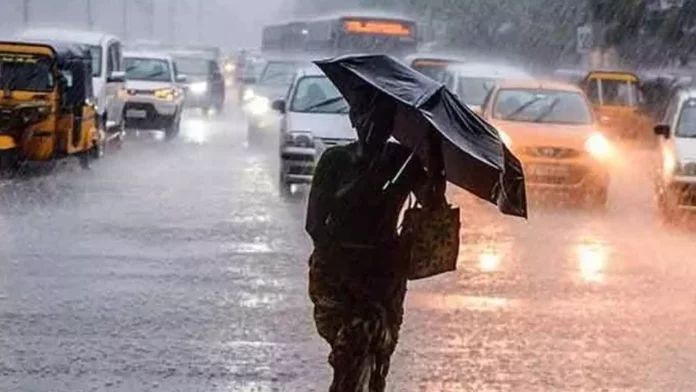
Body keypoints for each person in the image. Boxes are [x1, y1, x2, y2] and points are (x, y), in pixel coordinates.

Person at [306, 93, 445, 391]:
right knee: (350, 348)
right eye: (367, 117)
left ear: (390, 125)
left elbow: (432, 203)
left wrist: (434, 159)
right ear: (354, 120)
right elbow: (315, 224)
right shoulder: (335, 161)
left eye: (383, 120)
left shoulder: (401, 161)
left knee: (379, 355)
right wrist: (346, 273)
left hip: (383, 274)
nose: (374, 126)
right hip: (336, 274)